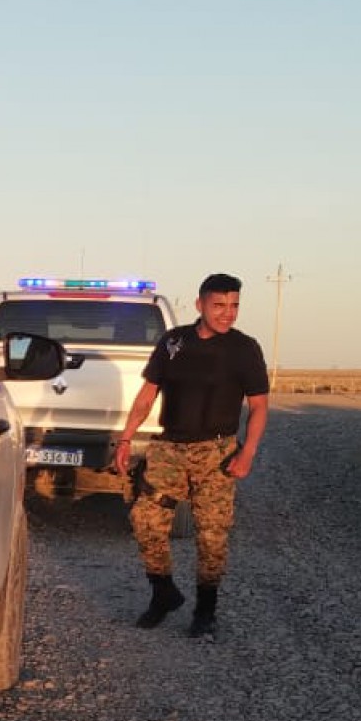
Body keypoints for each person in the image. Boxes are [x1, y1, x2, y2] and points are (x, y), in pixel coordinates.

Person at [108, 273, 269, 638]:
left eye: (234, 306)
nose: (228, 314)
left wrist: (248, 453)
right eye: (219, 306)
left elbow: (259, 407)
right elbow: (148, 395)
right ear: (200, 305)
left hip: (218, 453)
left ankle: (205, 610)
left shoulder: (245, 349)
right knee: (146, 519)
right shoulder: (173, 342)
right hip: (169, 449)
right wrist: (125, 440)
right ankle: (162, 593)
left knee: (212, 535)